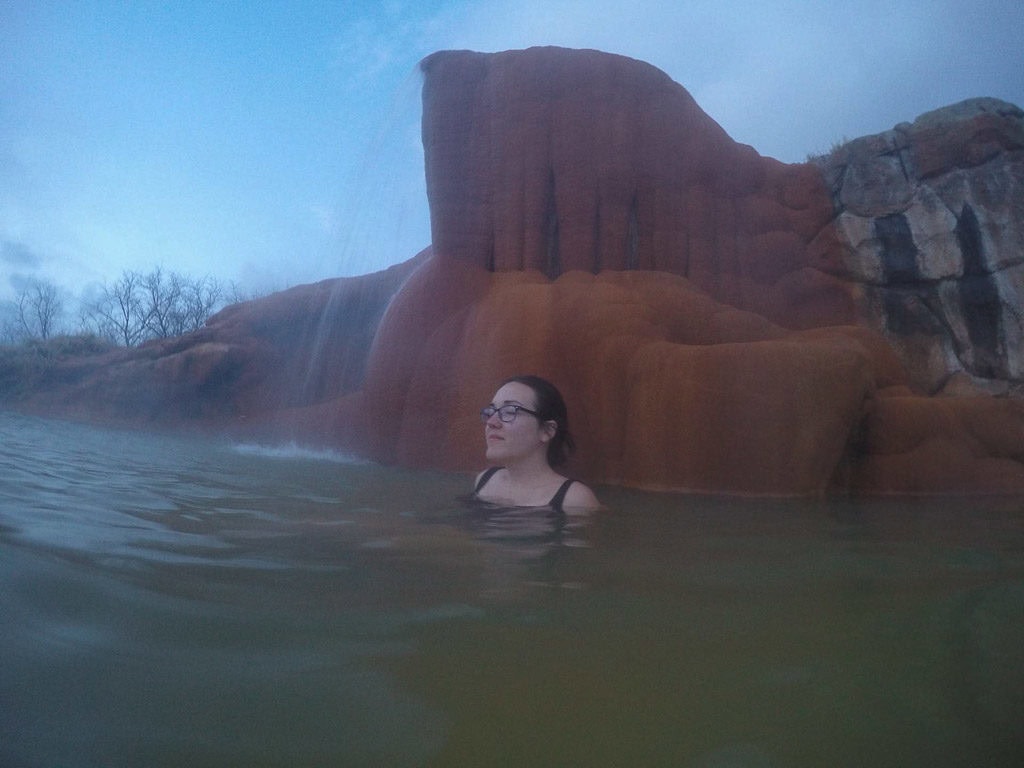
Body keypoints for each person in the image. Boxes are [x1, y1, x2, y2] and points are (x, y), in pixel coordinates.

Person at [473, 375, 600, 511]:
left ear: (547, 430)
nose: (491, 422)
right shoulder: (485, 481)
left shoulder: (574, 499)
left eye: (510, 411)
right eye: (491, 411)